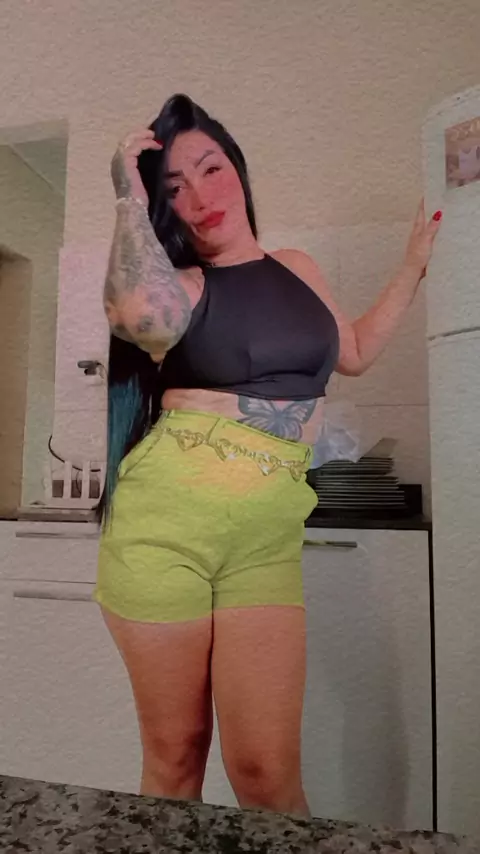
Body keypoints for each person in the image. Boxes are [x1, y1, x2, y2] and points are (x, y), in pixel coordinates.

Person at [93, 93, 441, 816]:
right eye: (174, 187)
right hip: (164, 531)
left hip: (265, 539)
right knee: (176, 756)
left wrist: (412, 266)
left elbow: (353, 351)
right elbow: (137, 314)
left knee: (265, 770)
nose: (200, 197)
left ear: (238, 168)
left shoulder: (297, 267)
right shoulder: (184, 288)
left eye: (211, 168)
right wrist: (128, 198)